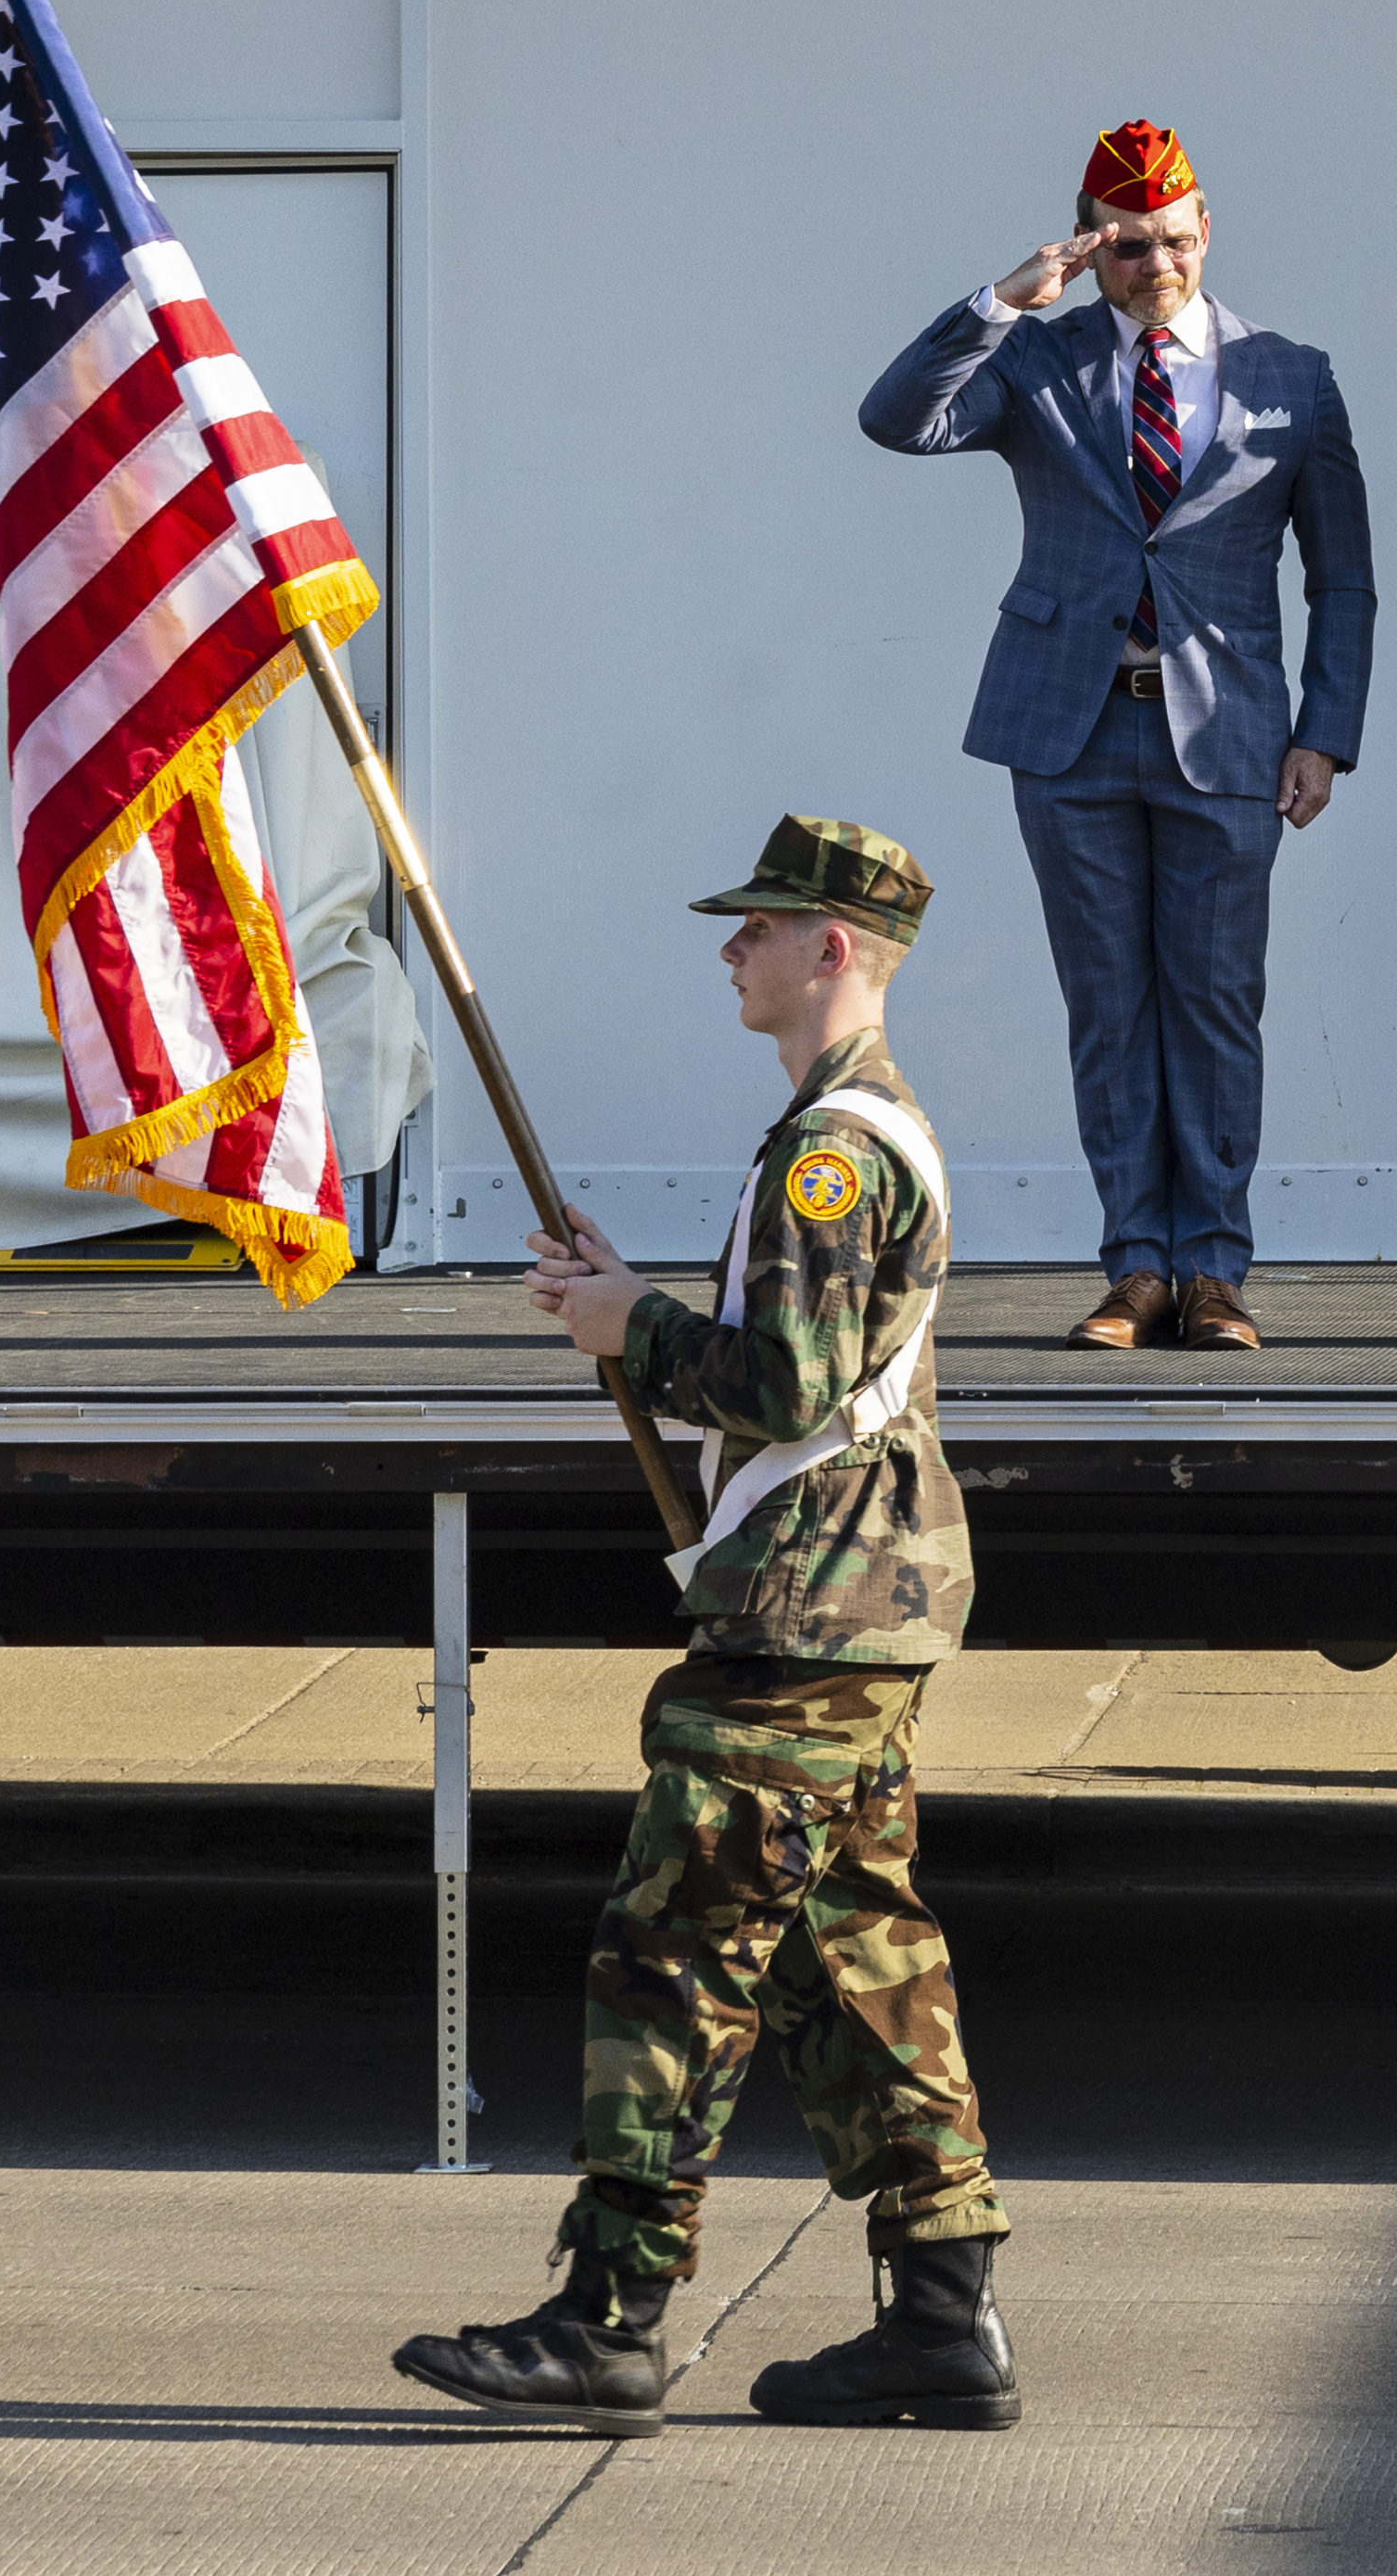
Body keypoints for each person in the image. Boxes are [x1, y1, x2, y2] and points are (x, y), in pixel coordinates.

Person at [389, 817, 1016, 2438]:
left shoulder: (835, 1149)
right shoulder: (847, 1132)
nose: (730, 950)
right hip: (852, 1607)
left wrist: (633, 1326)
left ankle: (610, 2316)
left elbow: (790, 1383)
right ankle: (943, 2315)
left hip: (808, 1613)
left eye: (759, 929)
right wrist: (636, 1303)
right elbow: (806, 1360)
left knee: (673, 1953)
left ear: (836, 949)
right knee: (855, 1954)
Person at [859, 120, 1376, 1352]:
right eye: (1133, 248)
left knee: (1213, 1002)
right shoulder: (1038, 359)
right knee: (1107, 1004)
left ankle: (1215, 1271)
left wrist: (1327, 733)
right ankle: (1135, 1267)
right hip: (1072, 727)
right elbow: (896, 420)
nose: (1160, 267)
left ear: (1209, 232)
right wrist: (998, 299)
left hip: (1232, 733)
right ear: (1095, 250)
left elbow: (1342, 577)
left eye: (1178, 242)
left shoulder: (1289, 374)